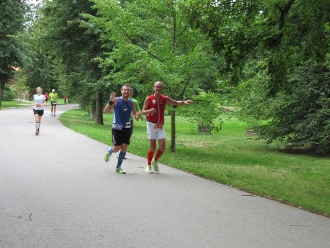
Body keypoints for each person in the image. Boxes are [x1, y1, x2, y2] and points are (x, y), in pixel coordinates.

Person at [141, 81, 192, 174]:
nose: (158, 89)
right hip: (151, 124)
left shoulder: (164, 98)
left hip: (160, 125)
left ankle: (155, 161)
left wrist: (184, 102)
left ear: (162, 89)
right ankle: (148, 166)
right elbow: (142, 111)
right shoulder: (149, 98)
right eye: (157, 87)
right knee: (152, 147)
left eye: (160, 87)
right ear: (154, 88)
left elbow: (175, 102)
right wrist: (150, 111)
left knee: (162, 147)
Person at [103, 84, 138, 174]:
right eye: (124, 90)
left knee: (124, 147)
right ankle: (110, 151)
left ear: (130, 92)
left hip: (127, 127)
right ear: (121, 91)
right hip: (117, 127)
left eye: (128, 90)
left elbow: (133, 113)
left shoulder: (132, 102)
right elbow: (105, 111)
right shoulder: (116, 100)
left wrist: (136, 116)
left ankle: (118, 167)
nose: (126, 92)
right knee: (117, 148)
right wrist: (110, 101)